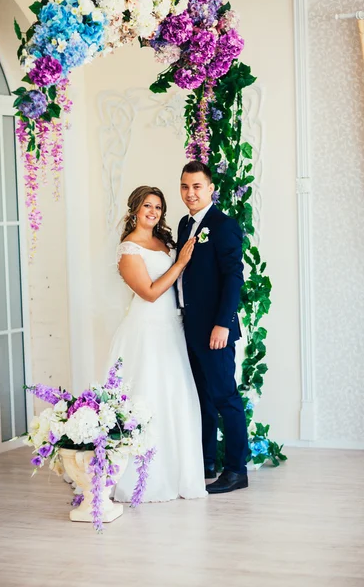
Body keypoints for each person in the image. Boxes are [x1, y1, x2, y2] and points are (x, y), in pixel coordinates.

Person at [109, 185, 207, 502]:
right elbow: (149, 293)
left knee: (176, 397)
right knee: (148, 396)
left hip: (171, 328)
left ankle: (180, 472)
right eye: (148, 206)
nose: (153, 212)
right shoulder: (128, 249)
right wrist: (179, 263)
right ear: (135, 209)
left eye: (158, 207)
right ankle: (143, 478)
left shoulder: (163, 242)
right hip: (146, 331)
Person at [177, 160, 249, 494]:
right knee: (201, 398)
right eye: (185, 186)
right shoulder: (183, 225)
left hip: (216, 332)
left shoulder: (223, 226)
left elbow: (234, 277)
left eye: (197, 187)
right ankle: (206, 462)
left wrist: (223, 324)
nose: (190, 193)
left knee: (225, 398)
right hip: (191, 329)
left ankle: (236, 470)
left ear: (210, 189)